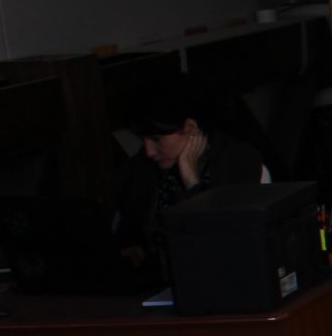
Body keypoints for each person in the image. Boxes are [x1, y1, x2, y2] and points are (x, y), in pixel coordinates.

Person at [114, 83, 267, 267]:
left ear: (190, 127)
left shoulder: (235, 161)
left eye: (156, 139)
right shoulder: (143, 168)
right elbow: (128, 231)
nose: (149, 151)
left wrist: (192, 183)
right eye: (143, 139)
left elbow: (223, 242)